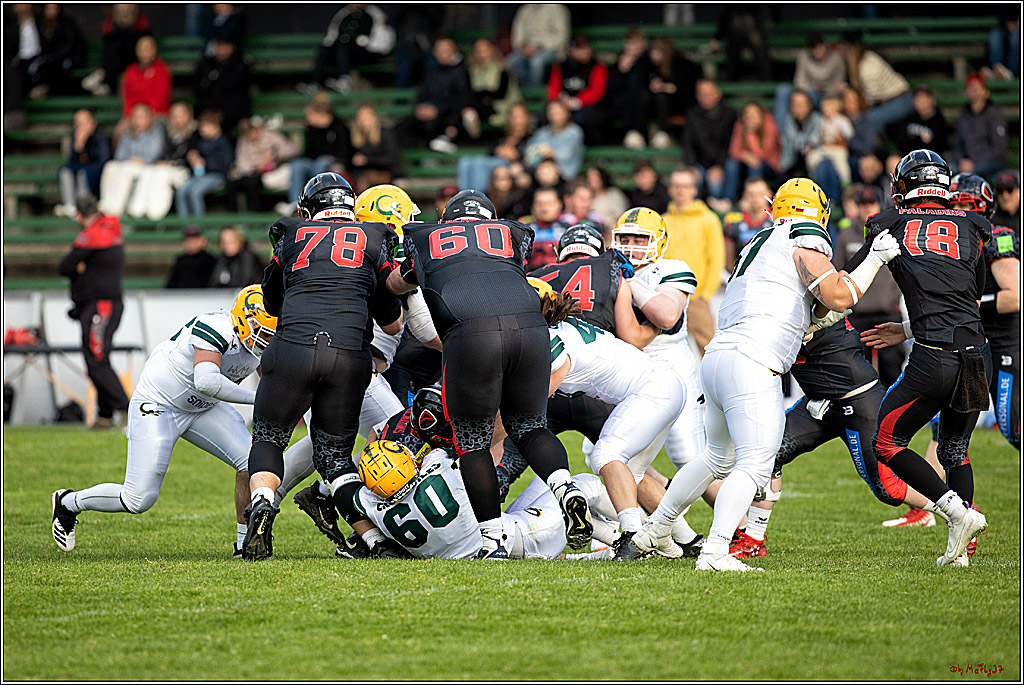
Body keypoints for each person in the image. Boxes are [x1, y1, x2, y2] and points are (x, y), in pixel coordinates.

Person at [633, 178, 894, 571]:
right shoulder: (803, 234)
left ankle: (654, 530)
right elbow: (839, 296)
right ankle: (717, 549)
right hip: (753, 361)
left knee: (715, 457)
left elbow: (816, 308)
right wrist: (873, 260)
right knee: (754, 464)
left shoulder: (760, 241)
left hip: (719, 357)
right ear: (816, 211)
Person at [386, 189, 594, 558]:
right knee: (531, 427)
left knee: (473, 442)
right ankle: (567, 488)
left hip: (471, 333)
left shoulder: (426, 236)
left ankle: (493, 538)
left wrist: (394, 283)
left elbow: (400, 282)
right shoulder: (510, 234)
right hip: (531, 331)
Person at [241, 172, 405, 561]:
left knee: (268, 438)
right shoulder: (376, 237)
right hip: (349, 356)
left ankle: (263, 502)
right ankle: (372, 540)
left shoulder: (292, 234)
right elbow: (392, 322)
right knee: (334, 455)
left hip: (293, 348)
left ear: (308, 208)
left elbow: (272, 305)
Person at [50, 286, 276, 557]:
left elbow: (273, 379)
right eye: (261, 330)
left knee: (254, 462)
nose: (266, 339)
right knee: (138, 499)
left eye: (271, 332)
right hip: (160, 404)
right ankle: (68, 502)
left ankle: (245, 545)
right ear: (241, 318)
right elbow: (206, 381)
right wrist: (258, 398)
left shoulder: (266, 341)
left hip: (202, 408)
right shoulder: (215, 327)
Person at [858, 150, 991, 567]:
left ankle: (958, 512)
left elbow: (849, 283)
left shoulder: (889, 223)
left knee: (886, 441)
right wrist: (908, 329)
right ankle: (960, 552)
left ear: (904, 186)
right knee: (956, 450)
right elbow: (968, 298)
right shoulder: (973, 225)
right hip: (976, 349)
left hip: (936, 355)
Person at [730, 319, 942, 559]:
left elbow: (789, 336)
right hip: (819, 402)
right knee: (769, 452)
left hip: (858, 401)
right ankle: (754, 540)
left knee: (887, 489)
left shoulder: (808, 297)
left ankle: (957, 512)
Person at [533, 279, 688, 560]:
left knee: (606, 453)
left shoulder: (551, 338)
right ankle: (687, 540)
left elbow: (535, 400)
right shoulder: (561, 329)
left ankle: (631, 537)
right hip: (664, 385)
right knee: (635, 474)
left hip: (653, 389)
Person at [610, 208, 705, 471]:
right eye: (625, 239)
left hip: (669, 362)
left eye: (639, 239)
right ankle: (654, 508)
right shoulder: (606, 270)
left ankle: (732, 514)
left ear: (658, 240)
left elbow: (667, 317)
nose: (630, 246)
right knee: (604, 452)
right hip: (622, 367)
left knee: (687, 454)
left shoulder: (671, 268)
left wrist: (628, 280)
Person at [949, 173, 1018, 450]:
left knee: (1014, 428)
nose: (958, 213)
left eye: (965, 206)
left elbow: (1015, 297)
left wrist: (975, 305)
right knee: (948, 436)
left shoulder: (997, 237)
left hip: (1006, 347)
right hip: (973, 349)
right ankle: (934, 495)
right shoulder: (951, 247)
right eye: (954, 206)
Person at [56, 194, 130, 429]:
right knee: (97, 359)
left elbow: (65, 266)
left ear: (79, 214)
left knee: (97, 360)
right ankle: (105, 416)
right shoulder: (111, 231)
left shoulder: (93, 235)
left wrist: (79, 267)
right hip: (101, 305)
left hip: (101, 305)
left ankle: (127, 409)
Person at [832, 186, 905, 389]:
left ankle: (892, 416)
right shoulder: (846, 235)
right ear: (857, 206)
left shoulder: (892, 234)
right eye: (863, 204)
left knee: (891, 368)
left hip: (888, 311)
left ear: (878, 205)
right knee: (858, 371)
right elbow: (838, 271)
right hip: (858, 313)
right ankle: (863, 415)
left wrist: (894, 295)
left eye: (871, 203)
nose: (867, 208)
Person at [661, 167, 725, 354]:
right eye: (677, 186)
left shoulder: (708, 219)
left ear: (694, 190)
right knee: (665, 350)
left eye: (686, 186)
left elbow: (716, 258)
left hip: (696, 296)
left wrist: (704, 293)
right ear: (670, 189)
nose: (681, 190)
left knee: (709, 350)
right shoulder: (663, 220)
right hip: (666, 296)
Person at [276, 96, 351, 216]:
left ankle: (315, 200)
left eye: (310, 115)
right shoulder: (311, 129)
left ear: (320, 114)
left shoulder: (339, 126)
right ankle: (295, 204)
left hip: (334, 163)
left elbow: (345, 152)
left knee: (322, 161)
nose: (308, 119)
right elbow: (309, 153)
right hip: (314, 163)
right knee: (298, 164)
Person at [299, 4, 393, 96]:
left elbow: (382, 39)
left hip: (365, 53)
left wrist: (366, 43)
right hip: (343, 54)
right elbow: (332, 34)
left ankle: (344, 80)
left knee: (343, 47)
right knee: (325, 49)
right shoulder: (344, 13)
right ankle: (315, 84)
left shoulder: (373, 13)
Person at [402, 37, 473, 155]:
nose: (442, 53)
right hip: (428, 111)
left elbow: (461, 99)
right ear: (434, 53)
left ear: (454, 51)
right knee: (404, 125)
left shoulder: (462, 72)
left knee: (433, 124)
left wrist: (437, 110)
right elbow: (422, 94)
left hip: (448, 115)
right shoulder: (431, 72)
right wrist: (419, 108)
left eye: (446, 50)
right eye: (439, 50)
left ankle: (432, 153)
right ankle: (416, 159)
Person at [128, 101, 197, 220]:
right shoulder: (167, 134)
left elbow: (190, 158)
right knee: (148, 171)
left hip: (185, 173)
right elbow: (162, 154)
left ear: (188, 116)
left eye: (181, 116)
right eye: (175, 116)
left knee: (161, 173)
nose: (178, 120)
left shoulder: (195, 134)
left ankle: (156, 213)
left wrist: (170, 163)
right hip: (166, 168)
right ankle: (137, 210)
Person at [98, 103, 165, 217]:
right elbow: (119, 154)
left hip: (147, 166)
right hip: (128, 163)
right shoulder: (127, 132)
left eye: (141, 117)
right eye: (136, 116)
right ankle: (106, 203)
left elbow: (154, 153)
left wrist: (140, 159)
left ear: (148, 117)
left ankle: (116, 208)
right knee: (110, 166)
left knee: (125, 170)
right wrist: (130, 159)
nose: (138, 120)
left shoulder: (156, 132)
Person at [223, 116, 298, 213]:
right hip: (251, 172)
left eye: (251, 131)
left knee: (253, 184)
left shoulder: (271, 136)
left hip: (272, 172)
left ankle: (258, 215)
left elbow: (293, 150)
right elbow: (241, 162)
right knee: (232, 183)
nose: (250, 136)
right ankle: (234, 218)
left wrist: (274, 155)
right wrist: (256, 166)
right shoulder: (243, 140)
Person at [842, 31, 912, 132]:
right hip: (889, 101)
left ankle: (872, 146)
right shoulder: (867, 57)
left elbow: (873, 98)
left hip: (901, 100)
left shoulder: (867, 67)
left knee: (867, 119)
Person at [773, 33, 846, 128]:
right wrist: (812, 88)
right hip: (809, 94)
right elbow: (799, 82)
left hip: (828, 95)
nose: (818, 52)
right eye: (814, 49)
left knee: (832, 102)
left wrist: (825, 88)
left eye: (820, 48)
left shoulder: (836, 58)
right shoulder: (803, 56)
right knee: (783, 90)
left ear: (825, 46)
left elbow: (838, 84)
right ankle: (782, 134)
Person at [780, 90, 841, 204]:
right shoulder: (788, 121)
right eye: (795, 104)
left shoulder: (817, 119)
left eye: (801, 104)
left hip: (814, 159)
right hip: (793, 162)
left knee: (823, 166)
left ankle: (826, 202)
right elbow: (789, 149)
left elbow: (815, 142)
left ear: (809, 105)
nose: (798, 108)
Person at [11, 3, 84, 99]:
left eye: (54, 8)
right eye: (49, 8)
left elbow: (70, 46)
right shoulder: (41, 25)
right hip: (45, 60)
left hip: (62, 60)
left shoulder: (66, 24)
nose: (52, 11)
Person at [457, 102, 533, 193]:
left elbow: (526, 156)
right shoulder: (504, 134)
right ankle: (463, 196)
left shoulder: (529, 136)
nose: (516, 120)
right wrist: (500, 150)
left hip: (511, 165)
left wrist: (513, 154)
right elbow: (491, 150)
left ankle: (478, 197)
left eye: (519, 116)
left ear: (526, 117)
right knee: (465, 161)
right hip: (494, 161)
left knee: (480, 164)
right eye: (513, 117)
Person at [546, 35, 608, 145]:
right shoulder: (560, 67)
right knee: (545, 117)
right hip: (562, 105)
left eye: (585, 47)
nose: (583, 51)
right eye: (579, 48)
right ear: (571, 51)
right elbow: (553, 91)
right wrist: (560, 103)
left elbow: (597, 92)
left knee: (586, 119)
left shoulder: (597, 67)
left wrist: (575, 102)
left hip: (588, 106)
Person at [682, 79, 737, 203]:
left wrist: (719, 165)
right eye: (701, 93)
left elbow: (730, 143)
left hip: (722, 162)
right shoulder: (692, 114)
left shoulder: (729, 114)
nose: (704, 97)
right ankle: (693, 210)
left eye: (708, 93)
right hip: (699, 163)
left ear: (717, 93)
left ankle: (726, 204)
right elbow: (687, 142)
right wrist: (692, 166)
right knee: (690, 179)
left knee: (728, 171)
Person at [81, 3, 150, 96]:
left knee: (120, 49)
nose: (126, 8)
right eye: (122, 5)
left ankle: (104, 80)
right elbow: (107, 46)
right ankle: (105, 79)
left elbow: (145, 43)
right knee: (115, 50)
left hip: (135, 59)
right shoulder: (110, 21)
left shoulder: (141, 20)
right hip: (116, 62)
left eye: (129, 5)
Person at [176, 109, 233, 217]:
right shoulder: (200, 141)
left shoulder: (224, 143)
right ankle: (184, 225)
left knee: (194, 192)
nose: (202, 129)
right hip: (199, 176)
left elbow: (225, 165)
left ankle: (198, 225)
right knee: (181, 191)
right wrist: (193, 158)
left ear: (215, 126)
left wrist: (205, 163)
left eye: (205, 126)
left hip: (217, 176)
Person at [55, 109, 111, 218]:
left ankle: (82, 205)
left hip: (96, 169)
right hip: (81, 167)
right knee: (65, 172)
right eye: (77, 122)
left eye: (83, 122)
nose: (80, 125)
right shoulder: (75, 136)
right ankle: (69, 205)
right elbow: (72, 161)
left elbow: (103, 160)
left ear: (92, 122)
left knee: (84, 173)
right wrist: (79, 145)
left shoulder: (100, 136)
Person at [723, 102, 781, 205]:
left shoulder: (769, 124)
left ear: (761, 115)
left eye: (754, 115)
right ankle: (727, 201)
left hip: (770, 165)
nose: (750, 118)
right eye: (747, 115)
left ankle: (752, 200)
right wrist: (744, 156)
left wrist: (750, 134)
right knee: (731, 164)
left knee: (754, 165)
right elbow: (733, 151)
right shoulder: (740, 124)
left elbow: (764, 153)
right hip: (747, 162)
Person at [645, 37, 698, 149]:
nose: (652, 54)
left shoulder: (682, 65)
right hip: (656, 108)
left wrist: (668, 87)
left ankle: (663, 133)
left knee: (662, 97)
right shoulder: (649, 66)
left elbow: (687, 90)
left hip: (680, 106)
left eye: (655, 51)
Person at [953, 74, 1008, 178]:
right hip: (966, 163)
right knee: (947, 171)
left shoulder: (994, 114)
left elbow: (999, 148)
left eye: (977, 87)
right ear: (966, 92)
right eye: (970, 87)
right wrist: (961, 160)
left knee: (971, 173)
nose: (974, 90)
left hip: (990, 163)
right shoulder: (963, 115)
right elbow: (957, 144)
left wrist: (974, 163)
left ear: (985, 91)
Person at [607, 27, 652, 151]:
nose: (634, 47)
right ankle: (631, 134)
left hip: (646, 102)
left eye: (637, 43)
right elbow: (611, 89)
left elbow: (651, 81)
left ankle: (636, 133)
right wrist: (621, 71)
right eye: (630, 43)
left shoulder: (650, 60)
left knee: (642, 96)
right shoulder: (618, 62)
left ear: (644, 44)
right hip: (623, 104)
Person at [193, 38, 251, 133]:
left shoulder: (239, 65)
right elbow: (199, 86)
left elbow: (230, 86)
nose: (220, 49)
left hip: (230, 111)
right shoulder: (207, 64)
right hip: (208, 107)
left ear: (231, 47)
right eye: (218, 45)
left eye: (224, 46)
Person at [506, 3, 570, 88]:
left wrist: (538, 46)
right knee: (510, 62)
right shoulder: (524, 10)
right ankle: (521, 92)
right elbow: (517, 34)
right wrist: (523, 46)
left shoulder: (557, 8)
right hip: (526, 49)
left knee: (536, 61)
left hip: (552, 49)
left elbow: (562, 37)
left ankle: (535, 93)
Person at [466, 38, 522, 134]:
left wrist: (483, 94)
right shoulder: (471, 70)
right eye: (478, 50)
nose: (481, 53)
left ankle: (471, 118)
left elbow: (501, 94)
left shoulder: (502, 68)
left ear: (492, 50)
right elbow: (469, 91)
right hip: (481, 105)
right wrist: (484, 95)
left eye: (484, 50)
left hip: (502, 106)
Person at [523, 99, 585, 180]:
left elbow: (564, 155)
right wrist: (542, 151)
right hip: (541, 173)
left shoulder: (574, 131)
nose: (554, 116)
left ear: (567, 113)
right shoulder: (543, 132)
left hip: (565, 175)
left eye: (558, 113)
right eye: (552, 113)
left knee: (547, 171)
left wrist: (545, 151)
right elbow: (527, 153)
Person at [721, 176, 773, 272]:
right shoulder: (734, 221)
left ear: (769, 194)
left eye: (760, 194)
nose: (755, 198)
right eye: (751, 194)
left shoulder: (777, 220)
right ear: (744, 195)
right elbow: (728, 262)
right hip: (740, 277)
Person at [889, 84, 950, 157]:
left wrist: (916, 142)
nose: (922, 103)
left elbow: (939, 145)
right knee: (893, 160)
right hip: (910, 159)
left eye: (925, 98)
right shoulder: (909, 118)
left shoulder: (938, 119)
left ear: (932, 100)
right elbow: (902, 142)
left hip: (931, 161)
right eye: (918, 99)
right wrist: (920, 140)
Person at [349, 103, 401, 188]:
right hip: (361, 175)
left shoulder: (384, 134)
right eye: (361, 118)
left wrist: (367, 160)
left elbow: (391, 158)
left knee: (367, 179)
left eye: (366, 118)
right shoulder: (355, 137)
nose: (363, 122)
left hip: (384, 172)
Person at [807, 94, 854, 187]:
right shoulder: (821, 121)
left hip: (838, 148)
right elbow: (816, 135)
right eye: (824, 107)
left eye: (828, 107)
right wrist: (811, 144)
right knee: (812, 157)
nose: (826, 109)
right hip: (825, 147)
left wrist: (841, 134)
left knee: (841, 162)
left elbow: (849, 133)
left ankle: (845, 180)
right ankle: (813, 176)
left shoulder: (842, 120)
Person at [120, 36, 170, 121]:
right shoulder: (130, 71)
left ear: (154, 50)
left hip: (157, 115)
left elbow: (160, 100)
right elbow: (127, 99)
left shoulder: (161, 70)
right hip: (134, 116)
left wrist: (144, 116)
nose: (144, 53)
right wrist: (132, 115)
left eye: (147, 49)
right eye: (141, 49)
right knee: (120, 130)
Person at [521, 186, 571, 270]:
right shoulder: (523, 231)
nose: (544, 209)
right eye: (540, 204)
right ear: (533, 207)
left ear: (559, 205)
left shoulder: (569, 229)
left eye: (550, 204)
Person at [586, 166, 629, 232]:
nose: (593, 180)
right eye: (590, 177)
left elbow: (622, 217)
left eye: (596, 177)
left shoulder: (614, 194)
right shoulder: (584, 195)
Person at [986, 8, 1020, 80]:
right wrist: (1009, 22)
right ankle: (996, 70)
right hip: (1005, 27)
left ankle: (1010, 72)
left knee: (1016, 37)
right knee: (994, 35)